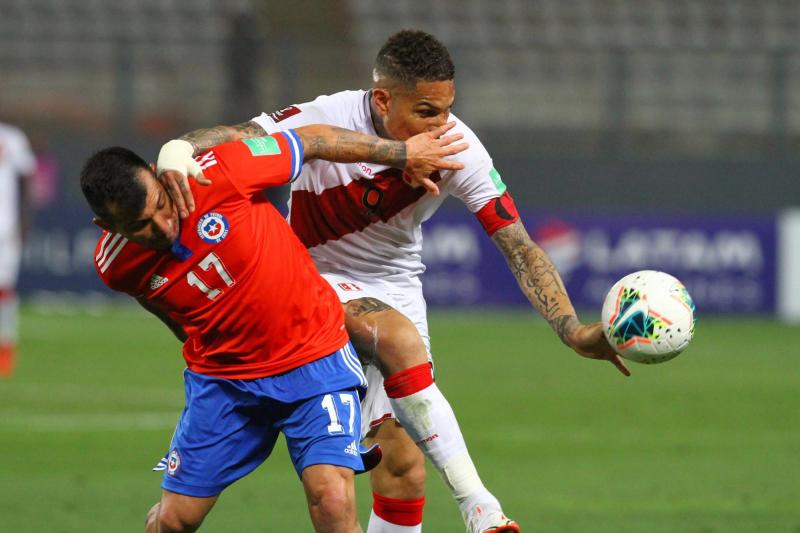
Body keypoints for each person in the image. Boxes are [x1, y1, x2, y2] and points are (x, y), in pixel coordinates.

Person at [158, 30, 631, 533]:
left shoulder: (457, 148)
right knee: (395, 339)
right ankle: (480, 507)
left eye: (448, 109)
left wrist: (573, 331)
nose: (442, 124)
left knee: (403, 469)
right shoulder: (326, 116)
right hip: (305, 277)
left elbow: (518, 245)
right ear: (382, 100)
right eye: (427, 111)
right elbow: (236, 136)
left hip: (393, 284)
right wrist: (176, 150)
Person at [81, 122, 467, 533]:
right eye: (141, 225)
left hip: (314, 362)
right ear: (107, 227)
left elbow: (312, 140)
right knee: (175, 522)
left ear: (159, 176)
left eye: (161, 203)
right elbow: (171, 316)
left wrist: (402, 155)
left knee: (332, 502)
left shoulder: (222, 171)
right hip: (225, 383)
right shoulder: (115, 265)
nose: (163, 225)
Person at [0, 121, 36, 377]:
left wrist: (25, 220)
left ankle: (5, 350)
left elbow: (26, 180)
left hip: (5, 228)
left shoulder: (12, 137)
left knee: (4, 291)